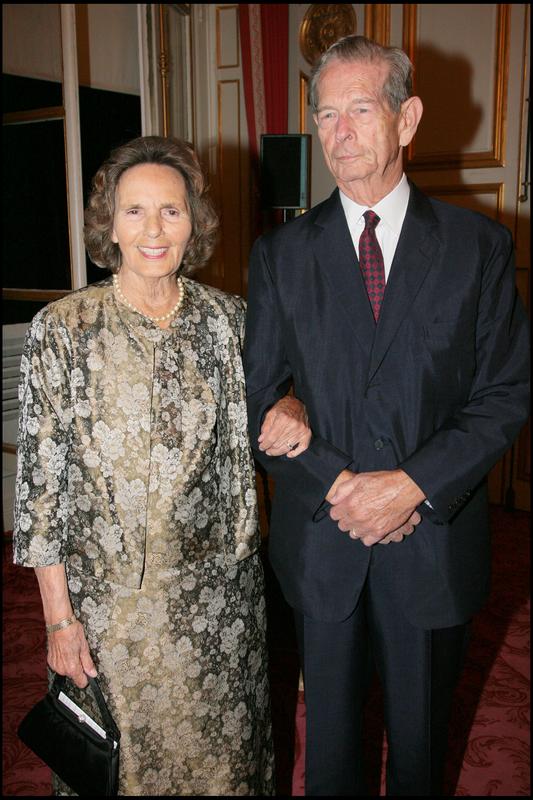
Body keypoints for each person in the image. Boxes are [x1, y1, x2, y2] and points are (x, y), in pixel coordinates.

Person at [244, 35, 530, 796]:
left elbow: (504, 393)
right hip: (322, 548)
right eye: (324, 114)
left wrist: (408, 486)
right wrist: (343, 483)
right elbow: (258, 398)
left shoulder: (479, 247)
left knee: (420, 757)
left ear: (406, 119)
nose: (337, 132)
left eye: (358, 110)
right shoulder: (279, 257)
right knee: (328, 757)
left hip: (431, 546)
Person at [12, 135, 308, 795]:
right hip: (111, 617)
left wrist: (293, 403)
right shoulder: (64, 330)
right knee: (121, 773)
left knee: (223, 769)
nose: (153, 229)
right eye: (135, 211)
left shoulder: (231, 321)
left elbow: (279, 399)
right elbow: (38, 495)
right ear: (108, 224)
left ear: (193, 225)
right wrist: (59, 620)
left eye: (171, 211)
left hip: (220, 610)